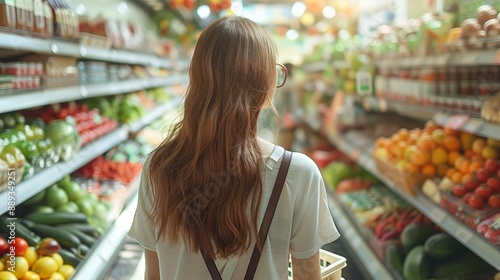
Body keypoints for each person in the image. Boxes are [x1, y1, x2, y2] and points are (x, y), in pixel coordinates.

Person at [128, 16, 340, 280]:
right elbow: (307, 272)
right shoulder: (297, 173)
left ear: (197, 80)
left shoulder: (158, 167)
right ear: (263, 85)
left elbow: (154, 273)